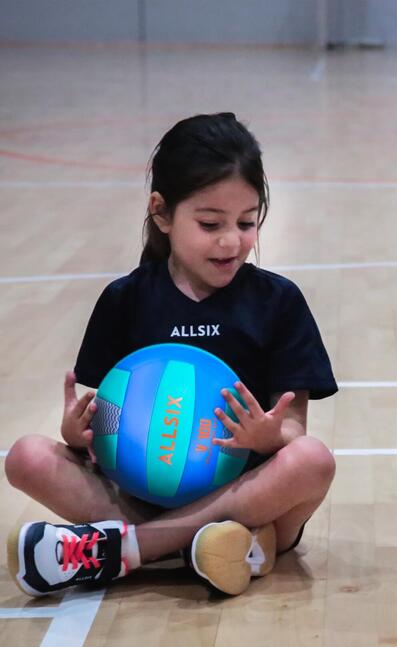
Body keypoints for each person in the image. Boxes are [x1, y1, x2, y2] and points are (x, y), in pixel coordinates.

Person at [5, 112, 337, 598]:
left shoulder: (278, 302)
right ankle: (223, 549)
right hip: (142, 497)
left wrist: (267, 436)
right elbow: (107, 418)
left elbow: (294, 431)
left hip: (245, 496)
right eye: (210, 223)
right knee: (26, 457)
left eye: (247, 222)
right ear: (162, 213)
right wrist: (77, 434)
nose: (231, 240)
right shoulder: (127, 300)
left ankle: (128, 551)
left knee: (312, 460)